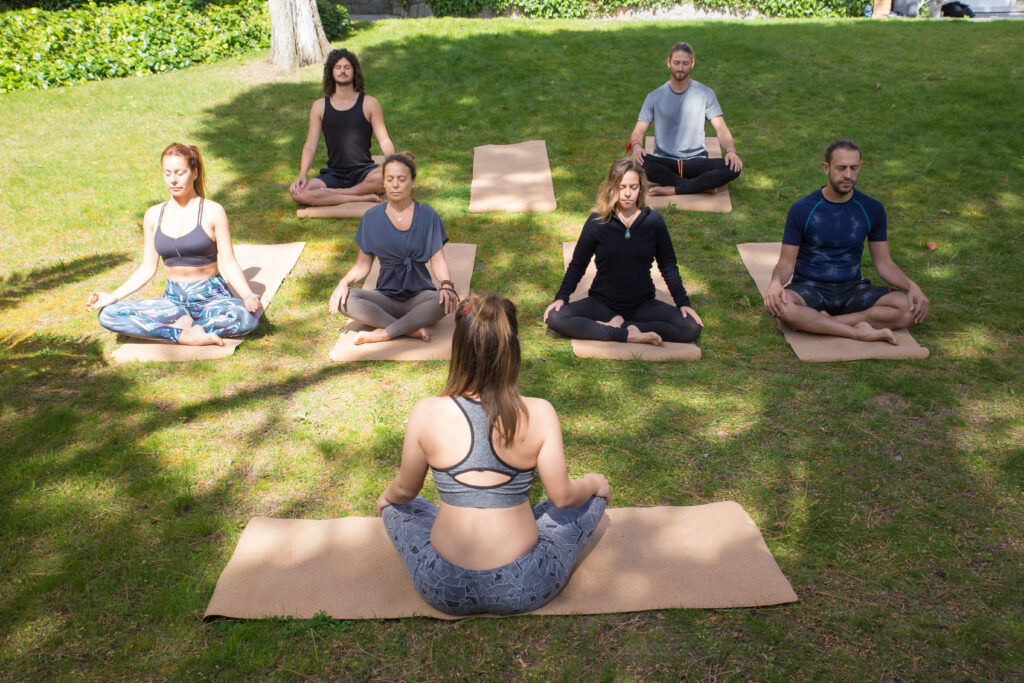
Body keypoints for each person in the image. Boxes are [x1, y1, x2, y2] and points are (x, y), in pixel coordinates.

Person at [377, 292, 611, 615]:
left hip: (444, 584)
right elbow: (564, 497)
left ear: (458, 349)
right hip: (524, 582)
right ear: (512, 351)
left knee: (401, 509)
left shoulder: (426, 412)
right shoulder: (539, 413)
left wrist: (386, 499)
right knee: (583, 504)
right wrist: (593, 484)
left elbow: (404, 490)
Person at [86, 143, 260, 346]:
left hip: (211, 297)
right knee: (109, 315)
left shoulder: (212, 211)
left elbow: (229, 262)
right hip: (173, 299)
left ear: (194, 173)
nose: (173, 180)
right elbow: (147, 268)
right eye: (167, 173)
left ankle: (189, 328)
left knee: (244, 317)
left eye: (180, 172)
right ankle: (183, 335)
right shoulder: (153, 215)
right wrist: (113, 296)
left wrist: (247, 295)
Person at [763, 139, 929, 343]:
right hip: (809, 288)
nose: (848, 175)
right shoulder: (803, 209)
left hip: (852, 289)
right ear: (826, 168)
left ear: (860, 167)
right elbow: (786, 262)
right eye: (841, 168)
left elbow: (884, 263)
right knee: (781, 305)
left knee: (910, 309)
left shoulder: (872, 209)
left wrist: (912, 286)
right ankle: (858, 332)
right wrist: (775, 283)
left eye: (854, 168)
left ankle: (823, 322)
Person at [544, 157, 703, 346]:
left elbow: (669, 266)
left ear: (640, 188)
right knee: (555, 317)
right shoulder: (597, 222)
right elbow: (578, 265)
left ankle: (627, 326)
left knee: (691, 327)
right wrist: (561, 297)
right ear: (612, 188)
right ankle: (626, 334)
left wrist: (683, 303)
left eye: (633, 187)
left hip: (642, 305)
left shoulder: (654, 222)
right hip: (602, 303)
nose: (627, 193)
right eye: (622, 187)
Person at [328, 152, 458, 344]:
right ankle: (408, 329)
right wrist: (343, 283)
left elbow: (438, 260)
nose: (395, 185)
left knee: (441, 302)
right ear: (384, 182)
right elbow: (362, 266)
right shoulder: (371, 218)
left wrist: (447, 284)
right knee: (347, 299)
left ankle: (385, 332)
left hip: (420, 297)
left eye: (402, 179)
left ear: (413, 182)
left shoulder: (428, 215)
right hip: (385, 297)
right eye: (389, 179)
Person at [628, 42, 742, 196]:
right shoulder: (654, 97)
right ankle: (701, 185)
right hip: (665, 162)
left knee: (734, 167)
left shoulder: (706, 94)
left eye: (685, 63)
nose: (680, 67)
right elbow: (638, 131)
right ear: (668, 63)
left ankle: (675, 188)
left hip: (696, 162)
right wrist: (636, 147)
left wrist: (731, 151)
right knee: (635, 163)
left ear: (692, 63)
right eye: (676, 63)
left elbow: (721, 129)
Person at [289, 48, 394, 206]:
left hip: (364, 172)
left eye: (347, 67)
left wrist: (394, 164)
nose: (342, 71)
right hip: (334, 175)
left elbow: (384, 140)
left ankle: (337, 195)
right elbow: (310, 145)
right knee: (299, 192)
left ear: (354, 71)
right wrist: (302, 174)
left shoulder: (370, 103)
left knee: (384, 178)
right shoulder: (319, 106)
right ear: (331, 72)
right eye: (338, 67)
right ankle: (359, 196)